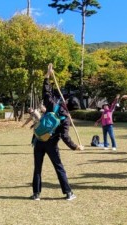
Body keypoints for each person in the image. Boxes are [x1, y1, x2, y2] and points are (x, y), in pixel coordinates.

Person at [31, 63, 84, 201]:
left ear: (66, 101)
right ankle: (68, 193)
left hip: (39, 140)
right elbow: (65, 136)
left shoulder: (53, 105)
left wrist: (47, 75)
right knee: (59, 167)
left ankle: (36, 194)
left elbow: (46, 92)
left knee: (37, 168)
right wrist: (76, 147)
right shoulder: (66, 118)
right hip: (51, 143)